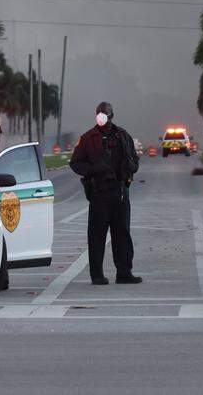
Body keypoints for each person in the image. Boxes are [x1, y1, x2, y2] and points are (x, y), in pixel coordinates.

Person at [69, 101, 142, 285]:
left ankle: (124, 272)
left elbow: (134, 158)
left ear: (111, 115)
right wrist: (94, 169)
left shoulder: (122, 136)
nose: (102, 115)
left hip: (120, 192)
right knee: (97, 235)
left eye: (105, 113)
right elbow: (75, 163)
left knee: (122, 233)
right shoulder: (87, 138)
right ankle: (97, 275)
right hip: (99, 193)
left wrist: (130, 168)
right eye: (99, 112)